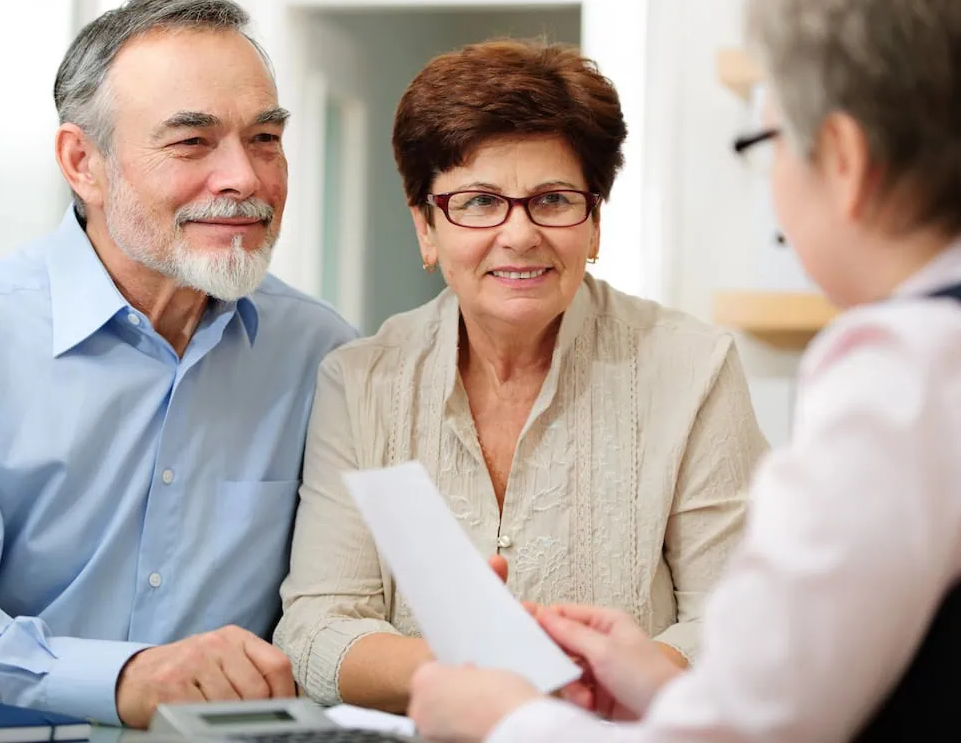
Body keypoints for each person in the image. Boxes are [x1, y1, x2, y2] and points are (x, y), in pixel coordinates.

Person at [404, 0, 961, 740]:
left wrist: (502, 723)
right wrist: (665, 688)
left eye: (769, 144)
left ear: (846, 161)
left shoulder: (913, 371)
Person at [0, 0, 355, 728]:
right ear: (82, 162)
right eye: (192, 143)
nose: (246, 180)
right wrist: (120, 677)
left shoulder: (323, 354)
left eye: (264, 138)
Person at [273, 39, 769, 713]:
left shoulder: (694, 368)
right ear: (425, 226)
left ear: (593, 224)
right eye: (478, 202)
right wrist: (472, 674)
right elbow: (315, 627)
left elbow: (737, 617)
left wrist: (603, 685)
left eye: (554, 199)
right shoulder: (358, 381)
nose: (519, 234)